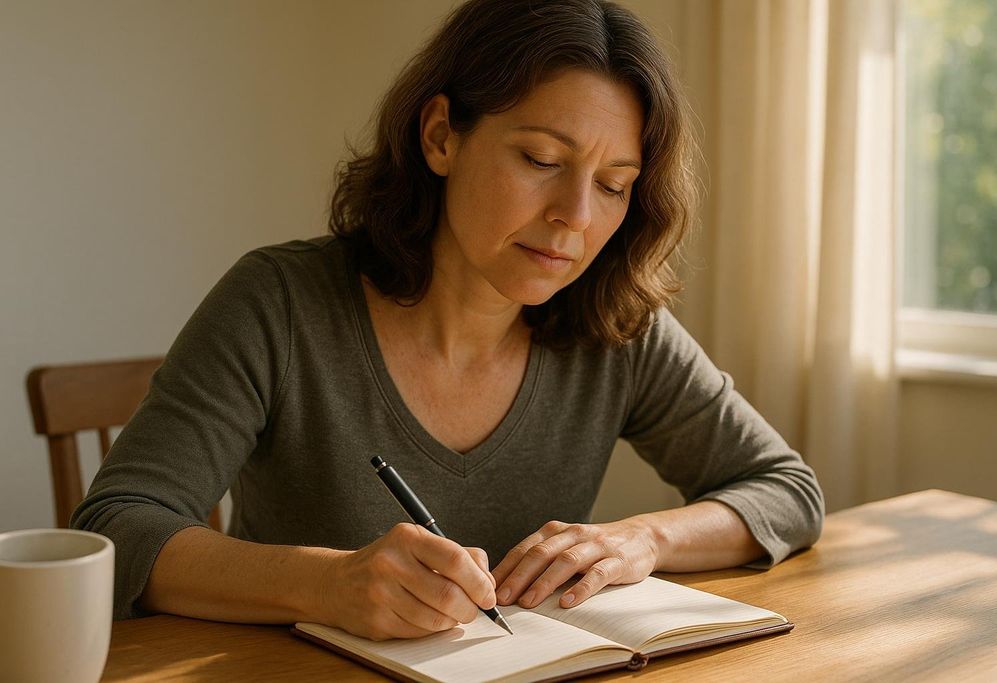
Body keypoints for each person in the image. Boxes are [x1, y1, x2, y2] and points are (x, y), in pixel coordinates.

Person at [73, 0, 824, 641]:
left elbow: (785, 488)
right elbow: (115, 524)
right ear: (441, 136)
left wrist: (645, 537)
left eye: (614, 185)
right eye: (539, 158)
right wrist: (327, 582)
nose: (575, 217)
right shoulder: (281, 303)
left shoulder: (613, 324)